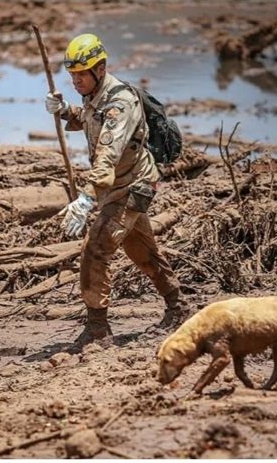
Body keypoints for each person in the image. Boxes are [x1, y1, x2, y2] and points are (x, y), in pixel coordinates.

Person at [45, 34, 188, 346]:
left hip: (132, 186)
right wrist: (66, 110)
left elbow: (108, 155)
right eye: (72, 75)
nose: (76, 81)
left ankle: (97, 329)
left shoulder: (120, 102)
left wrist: (85, 198)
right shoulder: (96, 94)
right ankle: (178, 308)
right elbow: (90, 117)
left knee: (96, 249)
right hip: (119, 185)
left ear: (101, 68)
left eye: (81, 74)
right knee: (141, 250)